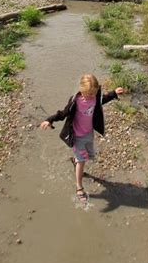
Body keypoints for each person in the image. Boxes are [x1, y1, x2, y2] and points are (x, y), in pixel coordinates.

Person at [40, 74, 125, 204]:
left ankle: (75, 161)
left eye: (93, 94)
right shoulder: (76, 101)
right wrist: (49, 120)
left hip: (88, 134)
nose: (91, 97)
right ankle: (79, 188)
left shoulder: (95, 98)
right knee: (83, 160)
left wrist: (114, 93)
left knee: (89, 156)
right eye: (88, 94)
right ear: (81, 90)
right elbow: (63, 113)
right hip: (77, 136)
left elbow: (103, 99)